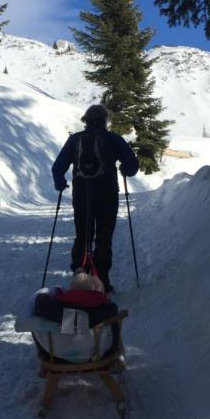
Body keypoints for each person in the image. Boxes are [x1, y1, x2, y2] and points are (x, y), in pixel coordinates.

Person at [52, 104, 138, 292]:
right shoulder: (113, 139)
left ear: (86, 120)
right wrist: (124, 169)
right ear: (105, 120)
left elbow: (57, 167)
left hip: (82, 194)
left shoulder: (75, 140)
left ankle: (80, 278)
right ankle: (102, 283)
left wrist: (60, 183)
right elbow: (132, 166)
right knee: (104, 237)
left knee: (83, 235)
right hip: (107, 194)